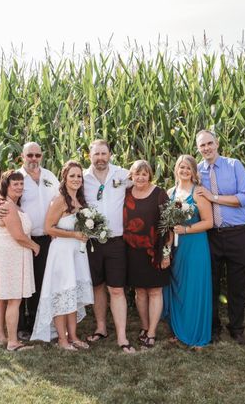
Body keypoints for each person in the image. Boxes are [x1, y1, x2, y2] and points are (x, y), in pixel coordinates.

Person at [0, 142, 59, 340]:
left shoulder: (49, 176)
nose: (34, 159)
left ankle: (36, 322)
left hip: (46, 238)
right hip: (21, 240)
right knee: (18, 286)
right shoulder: (15, 178)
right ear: (22, 156)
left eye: (37, 155)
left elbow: (61, 198)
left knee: (37, 283)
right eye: (30, 155)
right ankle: (19, 327)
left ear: (42, 156)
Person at [195, 129, 245, 345]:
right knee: (210, 285)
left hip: (236, 234)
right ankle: (213, 328)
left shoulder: (233, 165)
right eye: (202, 145)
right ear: (198, 149)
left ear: (217, 143)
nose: (207, 148)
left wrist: (213, 197)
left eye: (210, 143)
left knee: (237, 284)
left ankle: (237, 328)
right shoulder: (197, 171)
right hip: (210, 236)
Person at [30, 161, 94, 350]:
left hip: (77, 252)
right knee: (61, 293)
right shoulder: (59, 200)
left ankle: (73, 336)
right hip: (62, 253)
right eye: (72, 176)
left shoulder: (80, 201)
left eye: (79, 176)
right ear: (64, 178)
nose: (76, 179)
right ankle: (62, 339)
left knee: (72, 294)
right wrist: (74, 234)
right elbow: (48, 228)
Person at [83, 139, 135, 353]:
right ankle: (101, 328)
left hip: (116, 241)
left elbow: (144, 184)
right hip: (93, 242)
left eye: (104, 154)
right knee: (97, 286)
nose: (100, 158)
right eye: (96, 154)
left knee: (116, 288)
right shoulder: (82, 177)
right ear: (90, 156)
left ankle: (122, 336)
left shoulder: (123, 174)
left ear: (110, 155)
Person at [0, 170, 40, 352]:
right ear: (6, 185)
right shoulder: (6, 205)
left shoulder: (6, 203)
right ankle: (13, 342)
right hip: (11, 253)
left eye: (21, 184)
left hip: (6, 252)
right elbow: (18, 235)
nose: (19, 187)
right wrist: (34, 246)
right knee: (13, 299)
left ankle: (1, 337)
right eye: (15, 184)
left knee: (1, 299)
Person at [162, 155, 213, 348]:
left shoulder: (199, 193)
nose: (184, 171)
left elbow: (209, 222)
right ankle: (178, 330)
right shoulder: (170, 192)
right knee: (178, 287)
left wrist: (186, 229)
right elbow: (167, 224)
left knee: (193, 288)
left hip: (195, 245)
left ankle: (196, 334)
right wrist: (166, 249)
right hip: (177, 247)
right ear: (176, 169)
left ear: (193, 172)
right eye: (181, 167)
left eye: (188, 168)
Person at [123, 160, 171, 349]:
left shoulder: (160, 194)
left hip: (155, 249)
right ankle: (144, 326)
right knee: (140, 291)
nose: (141, 177)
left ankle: (152, 332)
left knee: (155, 290)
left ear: (149, 175)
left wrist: (166, 253)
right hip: (133, 250)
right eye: (137, 174)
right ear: (131, 176)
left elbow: (169, 226)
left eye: (144, 174)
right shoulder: (126, 194)